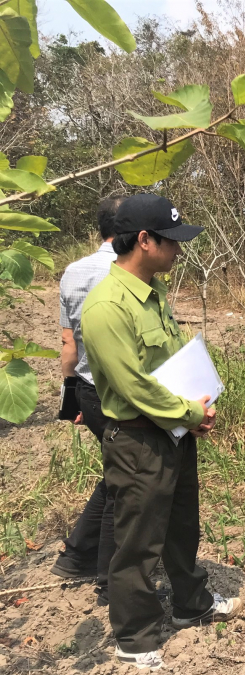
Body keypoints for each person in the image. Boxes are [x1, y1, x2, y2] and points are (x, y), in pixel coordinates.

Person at [81, 194, 244, 670]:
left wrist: (197, 407)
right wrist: (189, 414)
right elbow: (132, 387)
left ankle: (191, 603)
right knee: (138, 540)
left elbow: (169, 364)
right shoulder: (107, 306)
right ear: (144, 240)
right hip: (138, 441)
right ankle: (134, 635)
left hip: (173, 432)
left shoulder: (153, 294)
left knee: (180, 526)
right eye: (170, 241)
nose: (178, 250)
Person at [50, 196, 124, 605]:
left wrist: (71, 399)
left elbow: (67, 343)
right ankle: (107, 576)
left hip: (88, 390)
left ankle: (78, 555)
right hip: (118, 394)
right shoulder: (127, 272)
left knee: (117, 473)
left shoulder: (73, 271)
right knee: (124, 482)